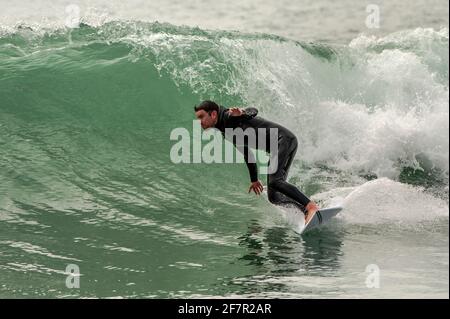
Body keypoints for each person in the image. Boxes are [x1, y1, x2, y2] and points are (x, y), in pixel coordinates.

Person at [194, 100, 319, 224]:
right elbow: (247, 154)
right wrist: (254, 180)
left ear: (213, 114)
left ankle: (310, 206)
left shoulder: (229, 116)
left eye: (201, 117)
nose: (199, 122)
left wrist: (242, 113)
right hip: (280, 146)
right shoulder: (225, 129)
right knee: (274, 197)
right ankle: (306, 211)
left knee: (276, 181)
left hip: (283, 140)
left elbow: (253, 110)